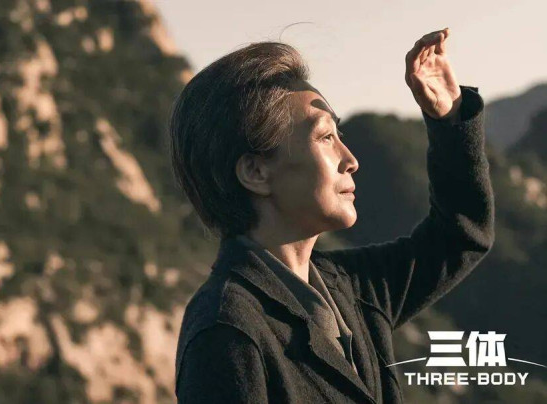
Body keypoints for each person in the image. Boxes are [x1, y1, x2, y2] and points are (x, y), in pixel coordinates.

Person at [169, 28, 494, 403]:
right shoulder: (226, 332)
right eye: (325, 137)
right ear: (256, 172)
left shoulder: (351, 290)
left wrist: (450, 118)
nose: (351, 160)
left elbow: (460, 237)